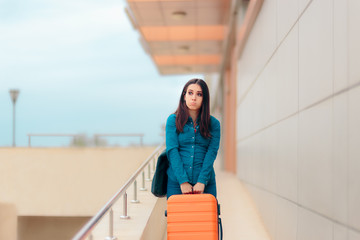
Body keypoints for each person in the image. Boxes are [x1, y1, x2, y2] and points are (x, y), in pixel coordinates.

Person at [165, 78, 221, 199]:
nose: (194, 98)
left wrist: (202, 181)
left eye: (199, 94)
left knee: (207, 217)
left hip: (205, 184)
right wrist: (183, 181)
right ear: (184, 96)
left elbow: (212, 153)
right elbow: (172, 150)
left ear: (204, 99)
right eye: (190, 93)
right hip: (177, 184)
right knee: (178, 217)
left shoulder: (214, 124)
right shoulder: (172, 121)